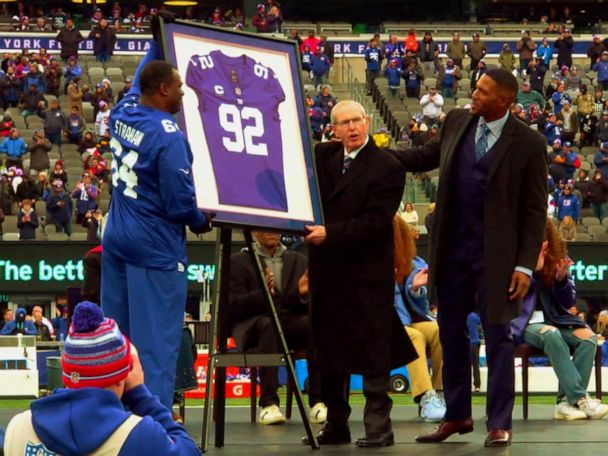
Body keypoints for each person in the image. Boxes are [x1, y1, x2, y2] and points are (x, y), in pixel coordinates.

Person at [390, 69, 548, 447]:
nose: (472, 94)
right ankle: (457, 415)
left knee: (498, 339)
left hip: (498, 260)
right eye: (475, 87)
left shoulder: (529, 142)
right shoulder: (458, 121)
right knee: (451, 335)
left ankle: (498, 422)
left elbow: (534, 210)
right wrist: (376, 156)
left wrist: (525, 265)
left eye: (482, 91)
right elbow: (423, 157)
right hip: (451, 253)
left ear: (505, 101)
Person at [101, 26, 213, 410]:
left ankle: (113, 421)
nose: (184, 91)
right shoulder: (169, 136)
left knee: (116, 341)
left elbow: (138, 79)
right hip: (154, 246)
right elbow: (180, 204)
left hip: (117, 235)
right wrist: (202, 221)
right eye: (179, 85)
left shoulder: (123, 111)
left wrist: (156, 42)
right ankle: (154, 432)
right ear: (164, 89)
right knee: (156, 349)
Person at [304, 100, 417, 448]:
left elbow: (374, 222)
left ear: (367, 122)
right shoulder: (323, 157)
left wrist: (331, 234)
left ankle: (378, 429)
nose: (352, 128)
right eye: (344, 123)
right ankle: (336, 425)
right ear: (334, 128)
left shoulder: (387, 166)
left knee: (373, 351)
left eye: (356, 120)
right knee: (330, 350)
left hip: (366, 272)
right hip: (327, 271)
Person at [3, 301, 202, 455]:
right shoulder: (141, 436)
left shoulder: (17, 429)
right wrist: (140, 395)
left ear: (67, 375)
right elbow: (188, 451)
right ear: (125, 375)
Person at [510, 221, 608, 420]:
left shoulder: (558, 258)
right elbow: (510, 294)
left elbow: (568, 301)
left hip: (555, 319)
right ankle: (580, 399)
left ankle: (564, 402)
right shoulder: (511, 256)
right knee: (551, 335)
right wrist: (532, 271)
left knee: (588, 338)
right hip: (523, 322)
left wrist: (561, 279)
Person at [228, 231, 326, 425]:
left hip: (288, 322)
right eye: (266, 229)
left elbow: (293, 304)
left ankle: (318, 402)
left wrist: (300, 293)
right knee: (269, 324)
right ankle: (268, 404)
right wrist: (262, 293)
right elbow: (233, 307)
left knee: (313, 323)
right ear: (254, 232)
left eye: (276, 228)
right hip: (255, 325)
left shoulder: (299, 260)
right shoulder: (238, 261)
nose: (272, 233)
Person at [393, 216, 445, 422]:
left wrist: (415, 288)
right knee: (414, 337)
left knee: (442, 331)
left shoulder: (414, 263)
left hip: (408, 320)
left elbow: (420, 307)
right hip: (383, 323)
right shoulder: (373, 262)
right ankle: (426, 395)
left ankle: (439, 392)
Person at [467, 312, 482, 392]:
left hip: (467, 342)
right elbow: (480, 326)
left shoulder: (463, 316)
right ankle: (477, 385)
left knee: (466, 366)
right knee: (476, 365)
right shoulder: (475, 316)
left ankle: (466, 386)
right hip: (476, 341)